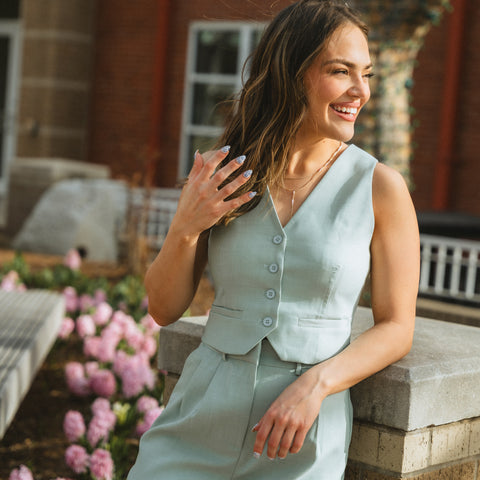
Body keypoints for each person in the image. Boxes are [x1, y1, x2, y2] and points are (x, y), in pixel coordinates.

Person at [127, 0, 419, 478]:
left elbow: (397, 327)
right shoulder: (223, 173)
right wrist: (186, 226)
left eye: (366, 74)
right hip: (200, 413)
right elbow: (163, 308)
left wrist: (318, 385)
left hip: (301, 434)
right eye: (341, 71)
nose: (360, 91)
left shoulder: (379, 187)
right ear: (292, 73)